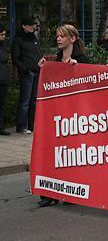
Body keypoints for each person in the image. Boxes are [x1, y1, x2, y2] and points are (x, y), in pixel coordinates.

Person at [37, 24, 90, 207]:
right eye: (57, 36)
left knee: (72, 154)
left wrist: (79, 69)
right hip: (59, 113)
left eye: (62, 36)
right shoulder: (59, 57)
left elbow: (90, 82)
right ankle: (52, 192)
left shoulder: (81, 58)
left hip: (75, 114)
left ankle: (73, 191)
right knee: (56, 152)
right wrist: (45, 69)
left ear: (72, 39)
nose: (58, 39)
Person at [11, 17, 41, 134]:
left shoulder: (34, 38)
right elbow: (15, 58)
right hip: (27, 73)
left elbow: (38, 52)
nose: (32, 27)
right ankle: (21, 126)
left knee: (34, 100)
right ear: (23, 26)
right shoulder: (18, 40)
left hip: (36, 71)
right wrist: (25, 69)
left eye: (32, 25)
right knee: (25, 100)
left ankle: (32, 125)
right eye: (29, 25)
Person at [0, 25, 10, 136]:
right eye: (1, 34)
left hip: (3, 78)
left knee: (2, 104)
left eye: (4, 34)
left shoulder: (3, 46)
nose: (3, 36)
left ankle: (1, 127)